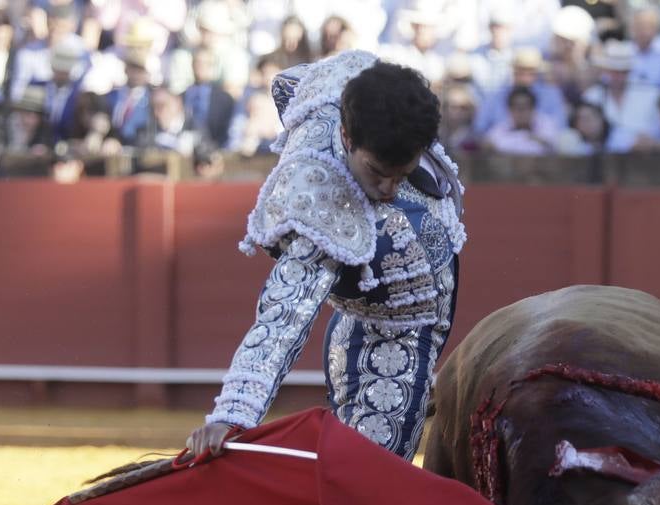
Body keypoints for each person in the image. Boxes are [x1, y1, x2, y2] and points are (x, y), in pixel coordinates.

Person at [186, 52, 466, 462]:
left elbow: (290, 81)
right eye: (376, 172)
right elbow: (282, 317)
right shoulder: (322, 200)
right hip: (388, 339)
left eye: (401, 175)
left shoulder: (362, 89)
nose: (388, 189)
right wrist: (233, 415)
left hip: (393, 306)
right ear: (347, 137)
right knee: (371, 481)